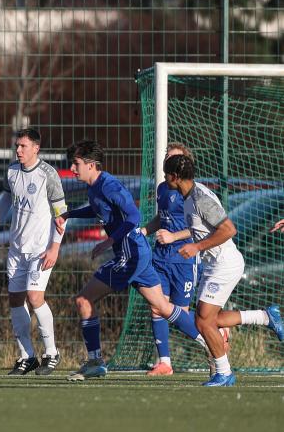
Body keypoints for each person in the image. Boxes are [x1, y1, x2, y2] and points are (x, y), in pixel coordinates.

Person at [55, 140, 208, 382]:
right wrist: (69, 214)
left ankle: (95, 361)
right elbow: (97, 208)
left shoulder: (109, 186)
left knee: (84, 299)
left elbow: (134, 215)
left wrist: (109, 240)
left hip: (130, 255)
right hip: (138, 253)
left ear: (91, 165)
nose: (72, 168)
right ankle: (211, 341)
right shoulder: (95, 187)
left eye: (76, 164)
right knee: (162, 307)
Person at [162, 154, 284, 386]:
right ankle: (265, 316)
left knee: (203, 322)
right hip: (214, 264)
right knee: (210, 319)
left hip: (224, 264)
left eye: (166, 174)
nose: (164, 178)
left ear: (175, 176)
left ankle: (224, 373)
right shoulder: (189, 196)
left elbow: (229, 230)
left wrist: (196, 247)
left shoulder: (199, 198)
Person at [0, 128, 66, 376]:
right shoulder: (12, 171)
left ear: (36, 148)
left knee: (35, 296)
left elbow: (62, 214)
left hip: (40, 250)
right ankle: (27, 356)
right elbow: (5, 200)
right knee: (15, 299)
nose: (18, 150)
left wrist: (54, 247)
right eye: (17, 146)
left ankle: (51, 352)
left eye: (23, 146)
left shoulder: (47, 174)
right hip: (17, 249)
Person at [138, 143, 200, 376]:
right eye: (167, 157)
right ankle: (165, 362)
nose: (169, 161)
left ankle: (216, 328)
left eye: (174, 158)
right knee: (157, 307)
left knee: (179, 313)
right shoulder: (163, 188)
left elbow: (199, 228)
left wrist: (174, 236)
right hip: (161, 257)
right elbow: (162, 218)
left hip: (184, 257)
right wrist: (145, 230)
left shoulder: (192, 192)